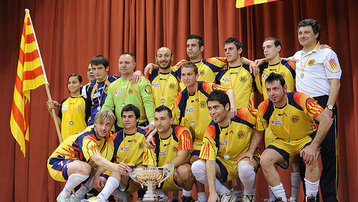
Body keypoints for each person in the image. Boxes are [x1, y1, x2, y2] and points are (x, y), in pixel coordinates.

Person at [246, 73, 332, 202]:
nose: (272, 93)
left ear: (285, 88)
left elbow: (326, 120)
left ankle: (311, 198)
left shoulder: (301, 99)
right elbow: (259, 131)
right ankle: (281, 198)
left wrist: (313, 146)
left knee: (310, 157)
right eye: (268, 90)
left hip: (305, 138)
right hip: (283, 141)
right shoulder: (264, 107)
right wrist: (250, 152)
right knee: (265, 159)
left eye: (276, 89)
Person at [291, 19, 341, 202]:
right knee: (305, 153)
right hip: (302, 107)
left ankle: (330, 198)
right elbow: (278, 61)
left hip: (322, 104)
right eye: (300, 33)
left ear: (316, 34)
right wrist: (262, 59)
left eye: (306, 32)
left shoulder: (327, 53)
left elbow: (335, 81)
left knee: (328, 154)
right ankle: (311, 198)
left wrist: (329, 107)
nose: (302, 36)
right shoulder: (297, 56)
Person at [172, 62, 236, 202]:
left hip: (216, 135)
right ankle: (203, 196)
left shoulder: (205, 86)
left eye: (189, 74)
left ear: (197, 75)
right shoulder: (181, 98)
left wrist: (231, 108)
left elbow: (229, 91)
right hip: (197, 142)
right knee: (195, 161)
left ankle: (231, 194)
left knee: (223, 164)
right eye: (183, 75)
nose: (186, 78)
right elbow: (172, 124)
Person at [191, 90, 259, 202]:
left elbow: (263, 121)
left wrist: (251, 150)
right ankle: (226, 193)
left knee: (244, 168)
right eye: (209, 108)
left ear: (227, 107)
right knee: (196, 167)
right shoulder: (210, 130)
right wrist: (212, 192)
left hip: (246, 159)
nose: (212, 112)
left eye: (216, 107)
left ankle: (249, 195)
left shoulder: (244, 114)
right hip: (225, 165)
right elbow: (210, 161)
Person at [79, 104, 153, 202]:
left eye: (130, 117)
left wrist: (153, 131)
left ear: (137, 119)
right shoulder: (114, 138)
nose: (126, 120)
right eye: (124, 117)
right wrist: (98, 175)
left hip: (139, 177)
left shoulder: (146, 135)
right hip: (121, 176)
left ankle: (100, 198)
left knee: (133, 170)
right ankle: (118, 197)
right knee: (103, 176)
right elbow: (106, 159)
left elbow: (162, 128)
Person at [257, 37, 299, 202]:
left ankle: (294, 197)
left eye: (268, 47)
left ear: (279, 48)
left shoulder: (290, 64)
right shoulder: (261, 68)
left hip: (290, 115)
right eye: (263, 47)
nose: (265, 50)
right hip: (270, 118)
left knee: (295, 158)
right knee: (269, 158)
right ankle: (274, 197)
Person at [47, 110, 119, 202]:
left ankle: (78, 196)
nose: (103, 128)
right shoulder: (87, 137)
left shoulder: (108, 138)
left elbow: (104, 161)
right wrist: (118, 167)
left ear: (111, 127)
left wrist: (97, 175)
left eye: (107, 125)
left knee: (97, 169)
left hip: (76, 164)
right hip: (56, 163)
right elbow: (98, 160)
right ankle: (64, 195)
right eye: (101, 123)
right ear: (95, 123)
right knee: (86, 168)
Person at [143, 105, 195, 202]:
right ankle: (159, 195)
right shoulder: (151, 139)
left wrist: (166, 167)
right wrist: (152, 188)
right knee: (142, 173)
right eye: (156, 119)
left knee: (184, 170)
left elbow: (182, 157)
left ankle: (187, 197)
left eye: (163, 119)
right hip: (160, 178)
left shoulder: (182, 131)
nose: (159, 123)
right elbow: (151, 166)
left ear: (171, 120)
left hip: (177, 175)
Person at [102, 52, 155, 135]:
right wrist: (100, 121)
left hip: (140, 127)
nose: (123, 65)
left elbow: (149, 103)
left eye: (127, 63)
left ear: (134, 65)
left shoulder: (142, 82)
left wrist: (152, 122)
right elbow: (107, 107)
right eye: (121, 63)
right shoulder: (112, 86)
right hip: (120, 129)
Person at [47, 74, 91, 141]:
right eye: (69, 83)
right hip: (65, 140)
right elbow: (60, 123)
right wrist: (51, 111)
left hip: (81, 140)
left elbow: (89, 123)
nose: (71, 85)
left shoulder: (86, 101)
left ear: (81, 84)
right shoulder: (64, 102)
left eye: (74, 82)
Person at [216, 37, 257, 109]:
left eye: (231, 49)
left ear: (239, 50)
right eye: (225, 50)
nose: (227, 52)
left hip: (245, 117)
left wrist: (251, 62)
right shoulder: (220, 73)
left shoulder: (250, 70)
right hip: (227, 117)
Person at [86, 55, 121, 126]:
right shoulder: (88, 87)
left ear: (107, 68)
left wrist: (137, 72)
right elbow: (88, 109)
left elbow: (130, 76)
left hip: (110, 124)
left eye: (100, 68)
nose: (96, 72)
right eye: (94, 69)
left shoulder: (116, 80)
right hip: (93, 124)